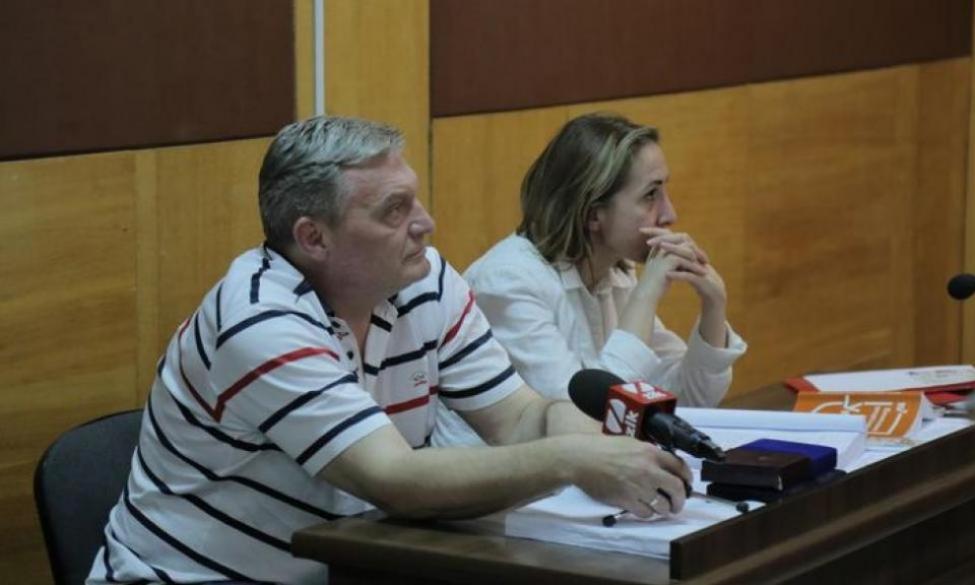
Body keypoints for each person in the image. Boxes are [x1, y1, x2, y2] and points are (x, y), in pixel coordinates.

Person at [87, 116, 692, 585]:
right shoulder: (259, 321)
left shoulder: (424, 281)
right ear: (313, 237)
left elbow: (521, 418)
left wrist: (614, 450)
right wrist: (574, 461)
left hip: (351, 568)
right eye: (394, 210)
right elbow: (395, 479)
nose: (425, 223)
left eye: (414, 199)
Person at [434, 113, 746, 447]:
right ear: (593, 213)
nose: (670, 214)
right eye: (651, 195)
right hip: (497, 478)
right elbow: (586, 423)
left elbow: (687, 403)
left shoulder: (613, 270)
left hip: (571, 472)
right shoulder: (508, 282)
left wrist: (713, 306)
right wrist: (645, 296)